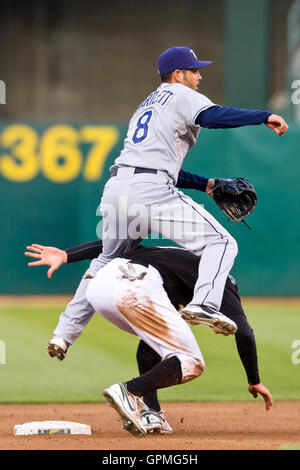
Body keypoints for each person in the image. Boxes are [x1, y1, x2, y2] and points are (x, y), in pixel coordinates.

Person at [83, 46, 288, 333]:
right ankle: (202, 304)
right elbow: (213, 116)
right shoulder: (181, 94)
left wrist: (206, 185)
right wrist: (262, 116)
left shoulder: (146, 105)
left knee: (106, 258)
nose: (199, 76)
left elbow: (158, 165)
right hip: (151, 189)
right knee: (222, 243)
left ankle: (65, 332)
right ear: (178, 74)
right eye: (194, 70)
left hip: (122, 185)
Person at [25, 240, 273, 437]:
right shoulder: (221, 282)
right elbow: (244, 334)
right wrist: (254, 380)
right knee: (191, 362)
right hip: (136, 286)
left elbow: (107, 246)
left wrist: (67, 255)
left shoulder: (173, 256)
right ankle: (128, 391)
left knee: (155, 340)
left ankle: (152, 412)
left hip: (99, 288)